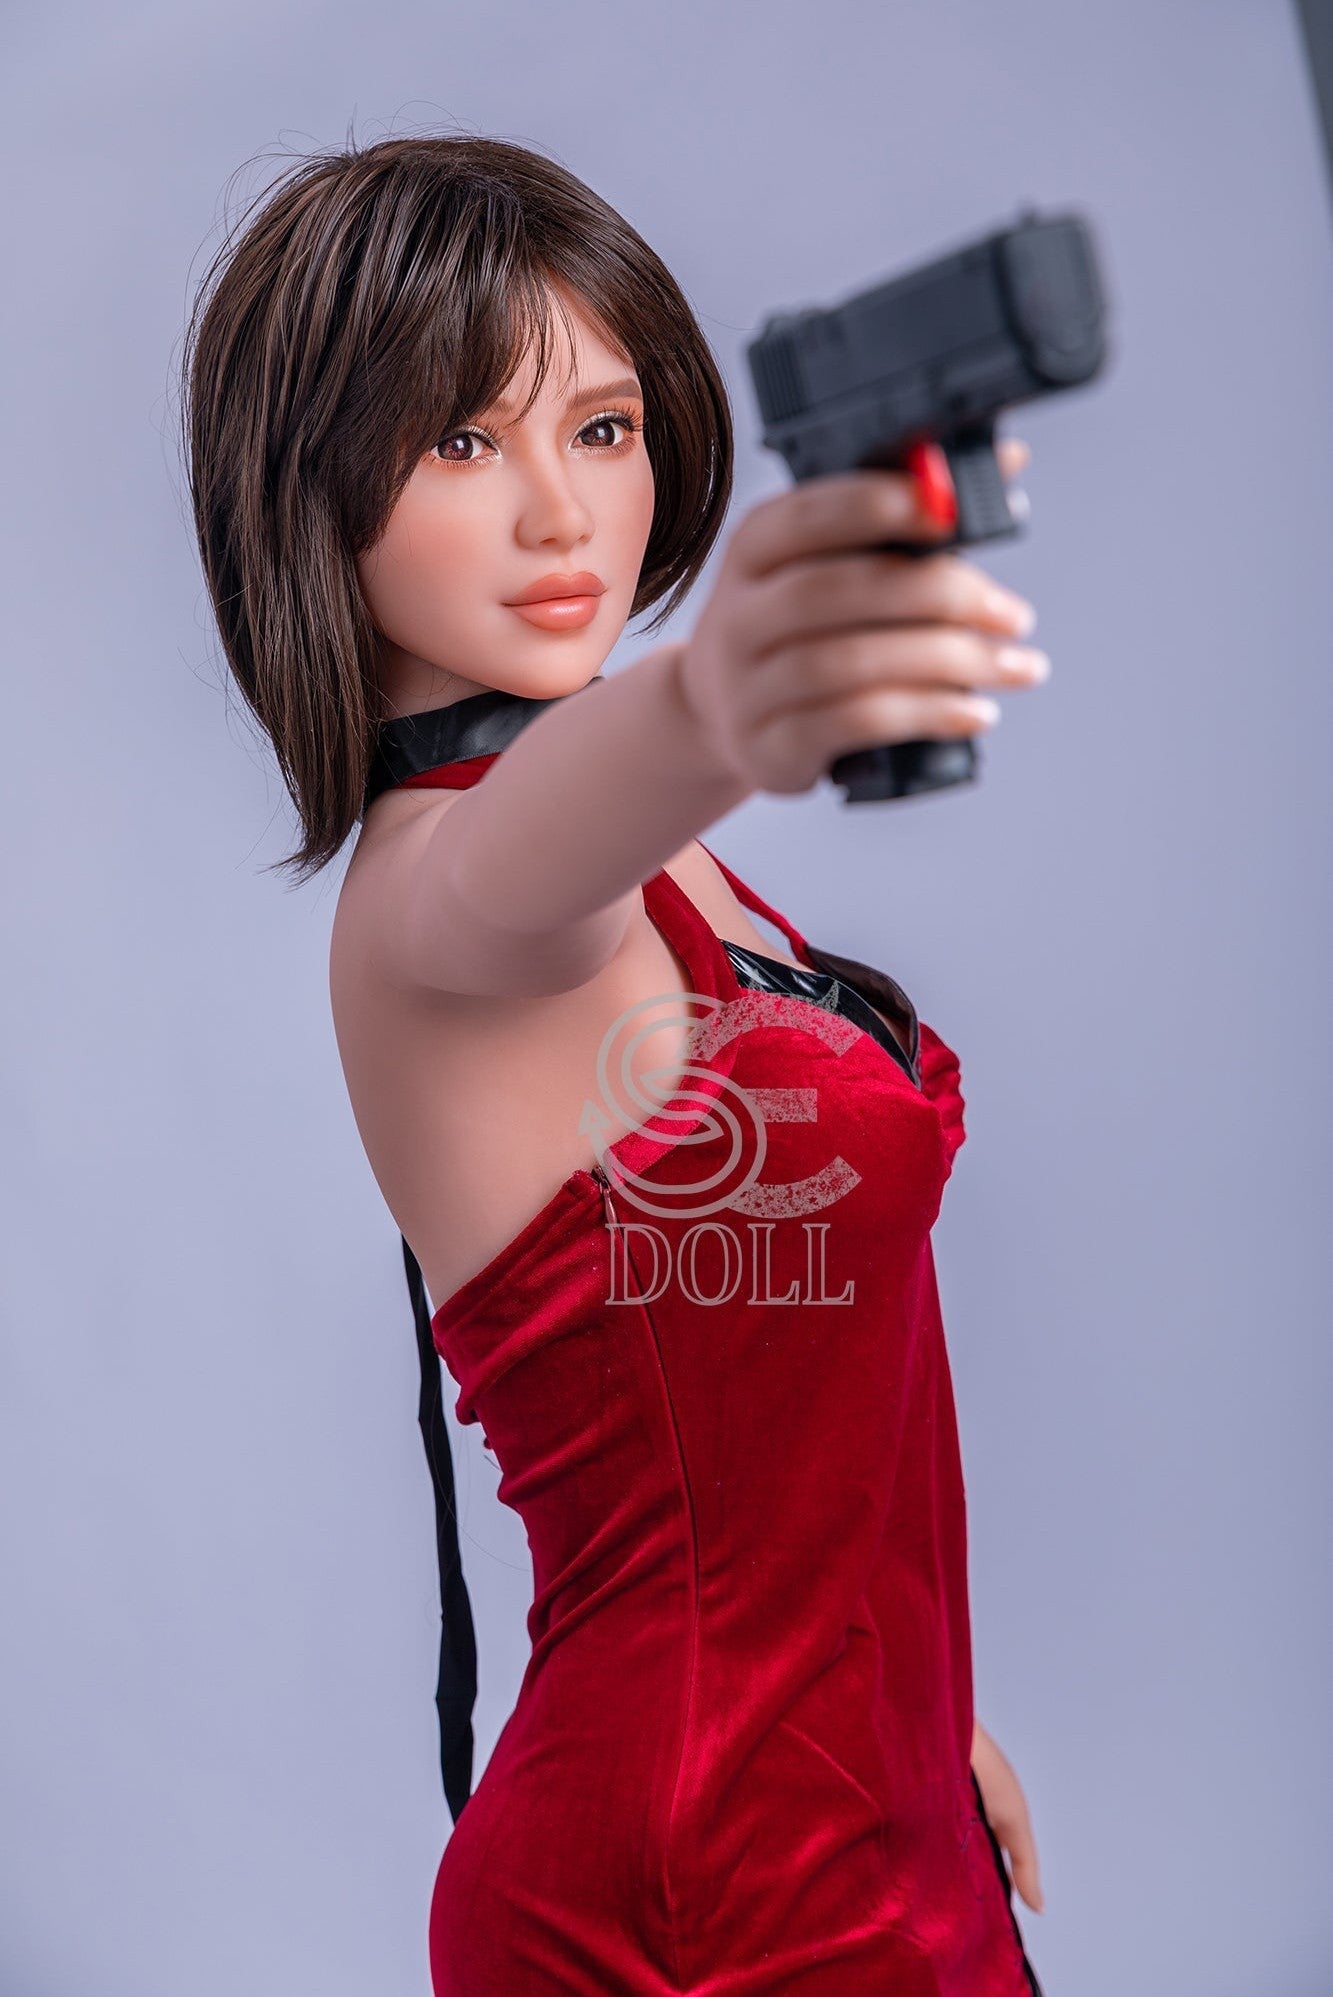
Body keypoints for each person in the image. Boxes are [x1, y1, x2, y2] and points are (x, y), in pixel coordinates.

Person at [181, 130, 1051, 1995]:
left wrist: (916, 1714)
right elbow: (538, 851)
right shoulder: (442, 901)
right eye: (459, 443)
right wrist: (720, 689)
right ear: (313, 492)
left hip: (858, 1810)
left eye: (600, 427)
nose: (562, 516)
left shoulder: (671, 862)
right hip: (684, 1896)